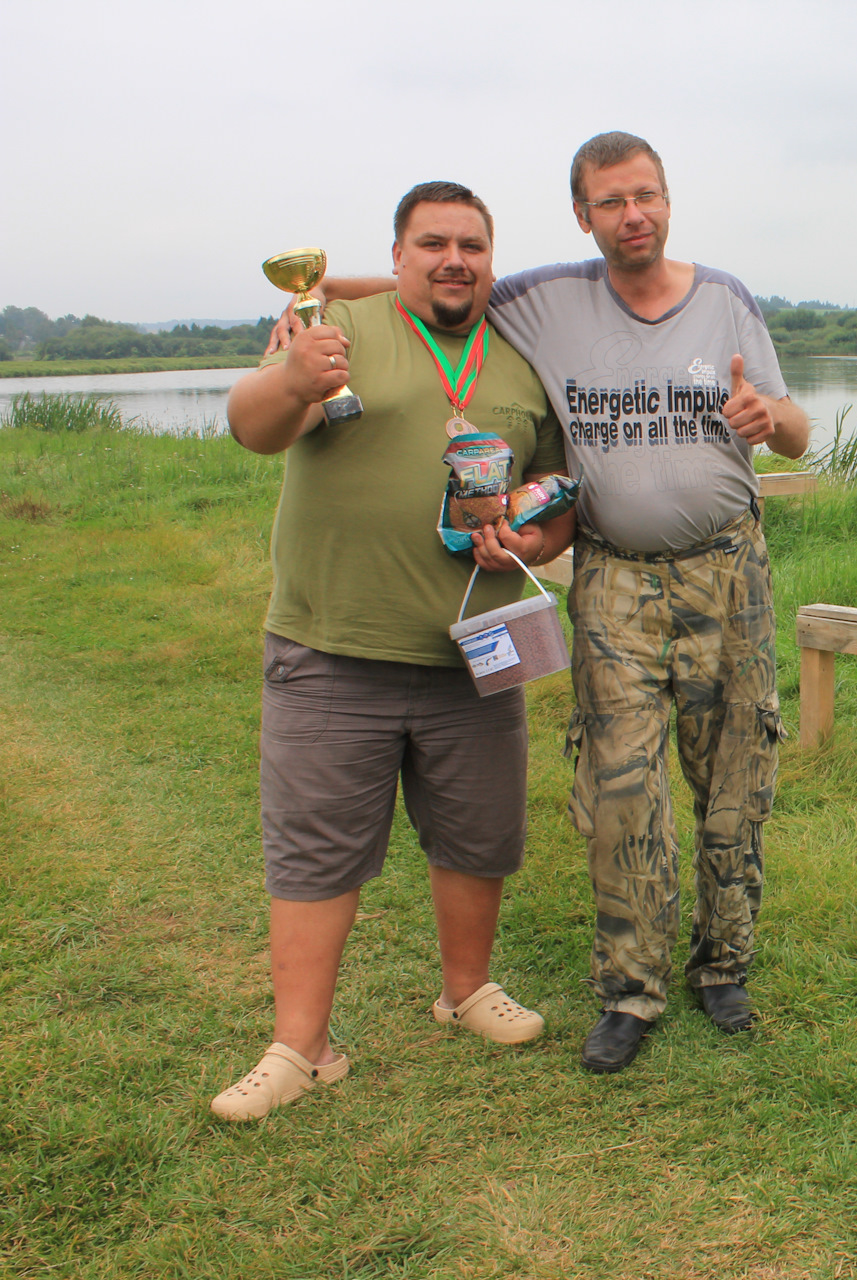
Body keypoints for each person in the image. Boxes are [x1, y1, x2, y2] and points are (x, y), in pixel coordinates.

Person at [283, 133, 809, 1074]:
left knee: (736, 784)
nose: (632, 214)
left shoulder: (725, 298)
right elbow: (442, 284)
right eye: (611, 202)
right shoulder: (544, 298)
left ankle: (722, 966)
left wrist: (774, 422)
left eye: (645, 195)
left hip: (730, 574)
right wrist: (312, 300)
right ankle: (631, 992)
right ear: (583, 216)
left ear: (668, 201)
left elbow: (797, 430)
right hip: (612, 578)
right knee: (621, 789)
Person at [217, 181, 574, 1120]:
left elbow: (554, 489)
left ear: (492, 258)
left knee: (478, 832)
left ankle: (467, 991)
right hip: (334, 642)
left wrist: (536, 538)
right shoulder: (336, 328)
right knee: (316, 848)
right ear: (399, 252)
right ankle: (302, 1046)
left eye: (471, 245)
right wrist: (294, 379)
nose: (453, 259)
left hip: (478, 650)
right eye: (432, 244)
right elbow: (255, 428)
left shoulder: (526, 356)